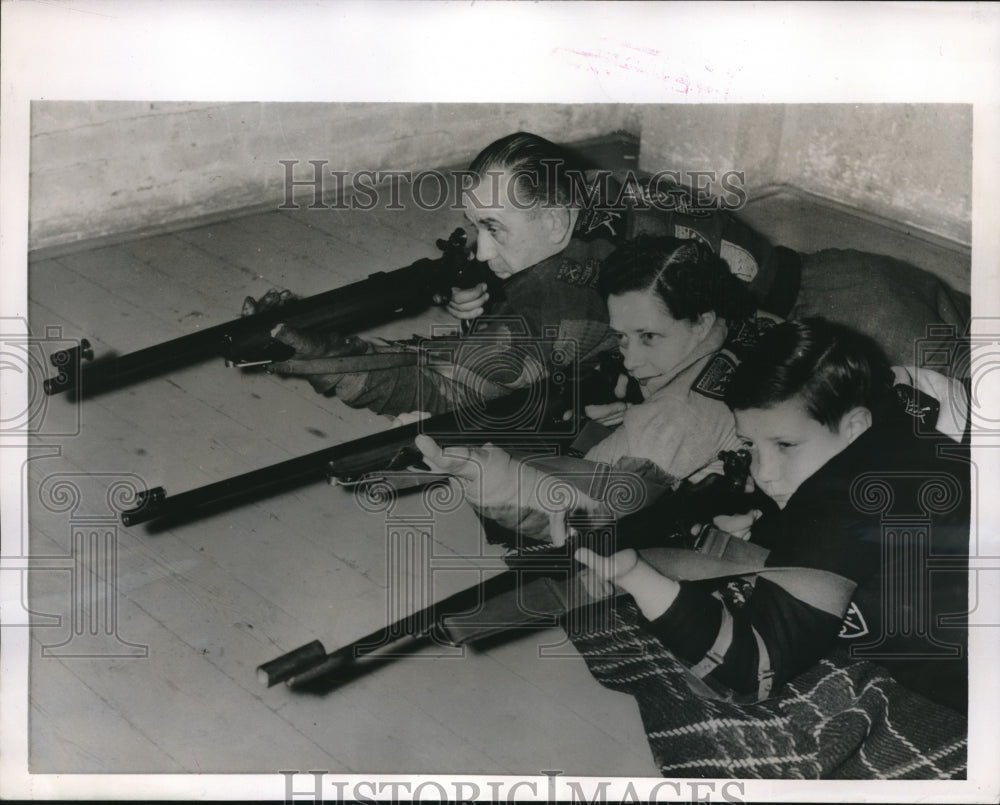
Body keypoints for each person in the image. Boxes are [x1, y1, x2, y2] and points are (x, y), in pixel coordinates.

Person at [245, 131, 798, 419]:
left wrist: (311, 353)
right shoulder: (583, 193)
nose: (481, 250)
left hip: (798, 305)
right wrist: (490, 296)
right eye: (475, 226)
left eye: (495, 228)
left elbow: (440, 385)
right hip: (779, 267)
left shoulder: (565, 297)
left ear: (556, 222)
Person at [568, 318, 969, 713]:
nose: (764, 472)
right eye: (752, 445)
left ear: (854, 426)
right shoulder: (901, 435)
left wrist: (633, 575)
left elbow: (751, 675)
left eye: (785, 445)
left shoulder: (847, 495)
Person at [415, 233, 778, 539]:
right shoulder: (746, 324)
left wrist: (490, 478)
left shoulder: (671, 419)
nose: (632, 360)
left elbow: (582, 515)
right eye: (622, 337)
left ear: (702, 322)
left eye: (648, 337)